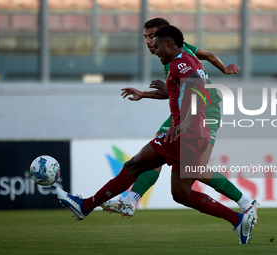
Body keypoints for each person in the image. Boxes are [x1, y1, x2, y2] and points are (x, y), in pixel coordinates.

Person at [56, 25, 256, 244]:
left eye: (157, 44)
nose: (155, 49)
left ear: (170, 43)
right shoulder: (190, 62)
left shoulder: (178, 63)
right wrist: (149, 95)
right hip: (195, 134)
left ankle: (86, 206)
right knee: (181, 193)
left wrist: (185, 122)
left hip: (184, 134)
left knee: (134, 165)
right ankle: (238, 220)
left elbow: (198, 88)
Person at [102, 17, 258, 221]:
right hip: (184, 112)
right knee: (157, 148)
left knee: (196, 167)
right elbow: (180, 87)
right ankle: (130, 200)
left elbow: (205, 64)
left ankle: (246, 202)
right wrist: (145, 93)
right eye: (146, 37)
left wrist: (224, 70)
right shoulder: (168, 57)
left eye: (152, 37)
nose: (149, 41)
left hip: (206, 109)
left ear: (167, 38)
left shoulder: (180, 53)